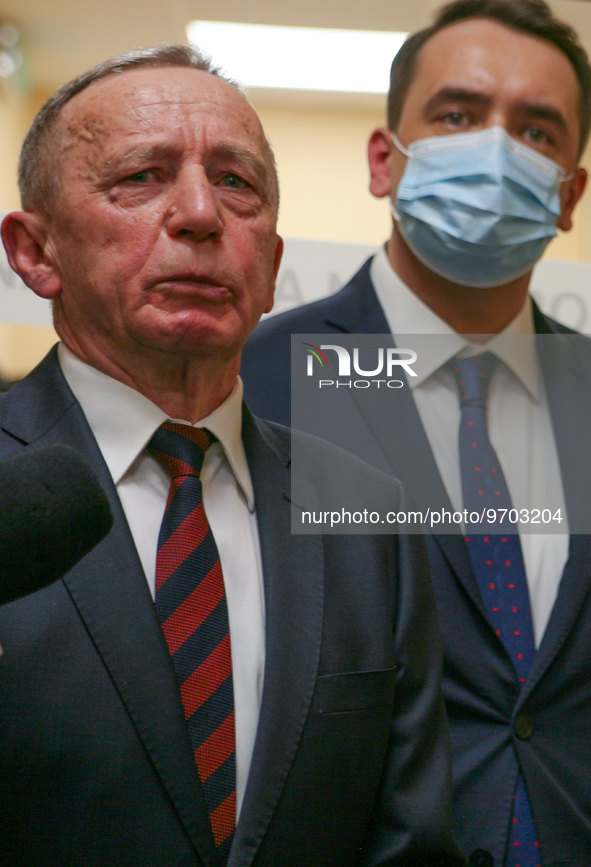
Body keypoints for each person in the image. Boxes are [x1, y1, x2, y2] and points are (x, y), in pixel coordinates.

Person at [0, 45, 464, 867]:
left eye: (237, 182)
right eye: (141, 176)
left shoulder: (369, 516)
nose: (200, 213)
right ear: (35, 253)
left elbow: (410, 841)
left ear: (273, 263)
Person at [240, 1, 591, 865]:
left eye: (538, 131)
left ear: (569, 195)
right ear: (382, 161)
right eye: (457, 115)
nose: (496, 149)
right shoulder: (273, 375)